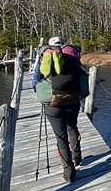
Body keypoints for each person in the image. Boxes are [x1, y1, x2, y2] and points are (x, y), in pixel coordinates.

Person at [32, 36, 89, 182]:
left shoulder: (45, 56)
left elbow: (34, 82)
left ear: (49, 46)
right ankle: (77, 157)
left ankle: (68, 172)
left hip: (52, 104)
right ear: (63, 44)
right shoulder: (71, 56)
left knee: (60, 136)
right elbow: (82, 75)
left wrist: (41, 94)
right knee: (72, 127)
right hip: (73, 100)